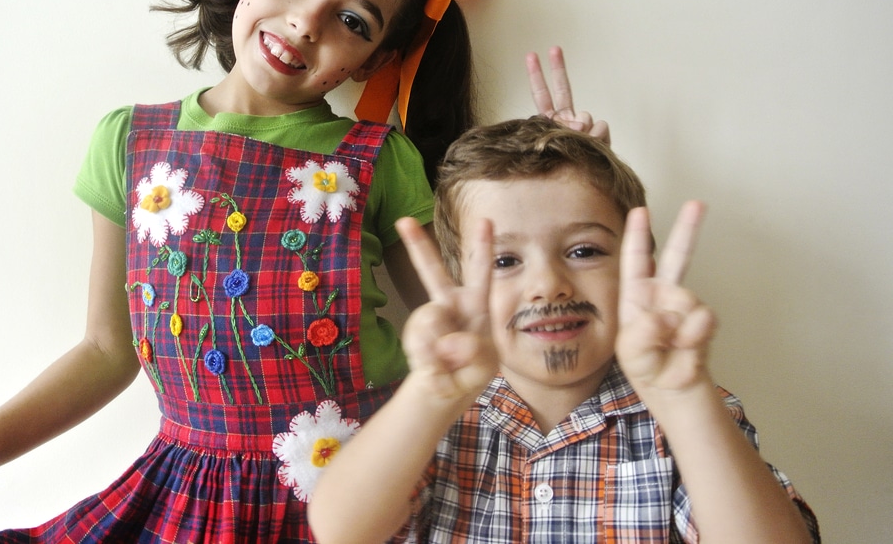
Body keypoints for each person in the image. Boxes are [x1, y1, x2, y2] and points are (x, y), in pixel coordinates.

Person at [0, 0, 506, 543]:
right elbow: (105, 349)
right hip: (193, 494)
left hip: (368, 486)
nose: (307, 22)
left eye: (353, 20)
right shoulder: (129, 143)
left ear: (376, 59)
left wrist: (559, 195)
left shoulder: (377, 160)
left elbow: (462, 329)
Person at [309, 117, 821, 543]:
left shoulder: (687, 413)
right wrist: (427, 397)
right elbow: (340, 531)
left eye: (583, 251)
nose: (548, 285)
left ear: (635, 267)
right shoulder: (431, 416)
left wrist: (684, 399)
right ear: (462, 283)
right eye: (505, 260)